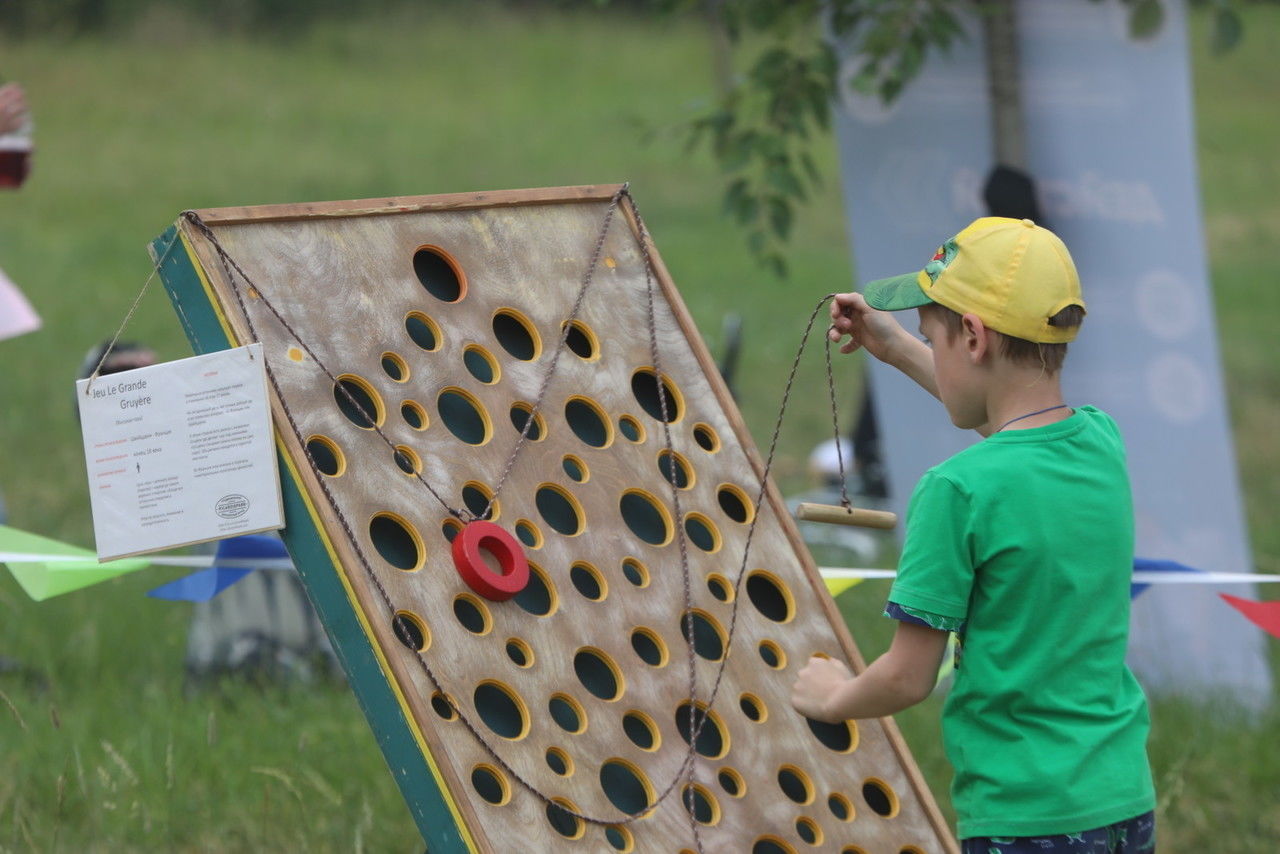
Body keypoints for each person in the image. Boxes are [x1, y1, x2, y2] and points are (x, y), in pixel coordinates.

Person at [791, 217, 1155, 853]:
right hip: (1122, 800)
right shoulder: (1100, 441)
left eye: (934, 338)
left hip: (1024, 816)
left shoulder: (955, 491)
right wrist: (902, 347)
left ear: (974, 338)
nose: (929, 349)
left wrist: (834, 697)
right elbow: (1017, 446)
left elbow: (907, 678)